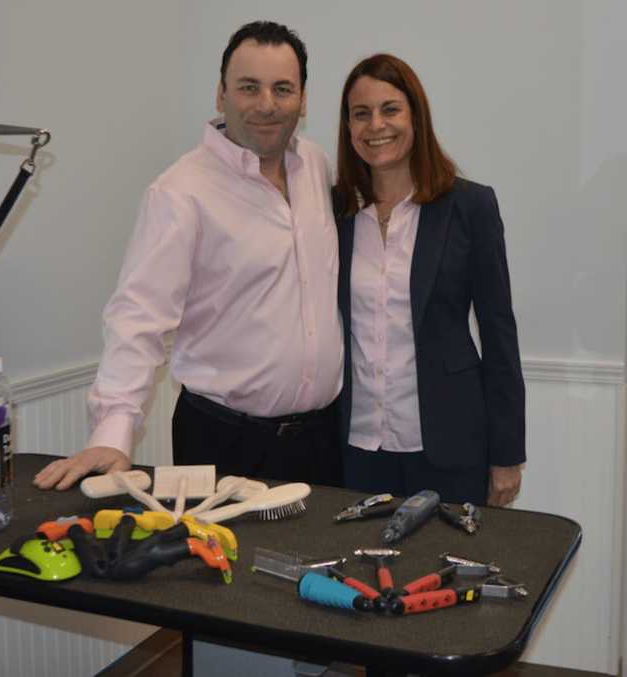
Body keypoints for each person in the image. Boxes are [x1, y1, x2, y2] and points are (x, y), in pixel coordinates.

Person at [34, 21, 343, 491]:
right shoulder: (180, 192)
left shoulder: (315, 166)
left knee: (324, 566)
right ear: (221, 94)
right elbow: (138, 318)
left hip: (323, 440)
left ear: (303, 100)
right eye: (248, 87)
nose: (267, 104)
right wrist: (113, 432)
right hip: (225, 443)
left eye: (283, 89)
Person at [334, 53, 525, 506]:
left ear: (416, 116)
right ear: (348, 127)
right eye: (361, 114)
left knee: (445, 573)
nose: (375, 124)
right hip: (355, 450)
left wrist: (507, 454)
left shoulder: (470, 207)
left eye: (390, 109)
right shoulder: (334, 212)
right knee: (361, 573)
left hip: (449, 448)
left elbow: (499, 332)